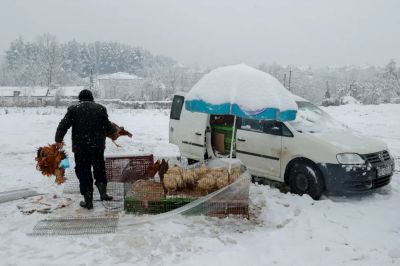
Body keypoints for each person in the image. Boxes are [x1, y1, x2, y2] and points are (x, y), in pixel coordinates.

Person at [55, 89, 116, 209]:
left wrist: (58, 139)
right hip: (97, 146)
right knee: (99, 168)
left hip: (80, 148)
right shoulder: (100, 108)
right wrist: (114, 132)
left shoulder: (74, 109)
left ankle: (88, 201)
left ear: (80, 98)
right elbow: (108, 126)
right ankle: (103, 193)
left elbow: (63, 125)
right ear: (92, 98)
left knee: (83, 171)